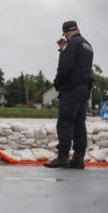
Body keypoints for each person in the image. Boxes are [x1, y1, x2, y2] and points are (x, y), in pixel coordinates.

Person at [44, 21, 93, 169]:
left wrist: (57, 83)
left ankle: (63, 157)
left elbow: (65, 66)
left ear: (65, 33)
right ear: (78, 29)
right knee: (79, 123)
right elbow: (79, 64)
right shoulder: (88, 45)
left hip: (70, 89)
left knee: (65, 122)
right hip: (84, 90)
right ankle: (78, 158)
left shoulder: (71, 44)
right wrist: (63, 48)